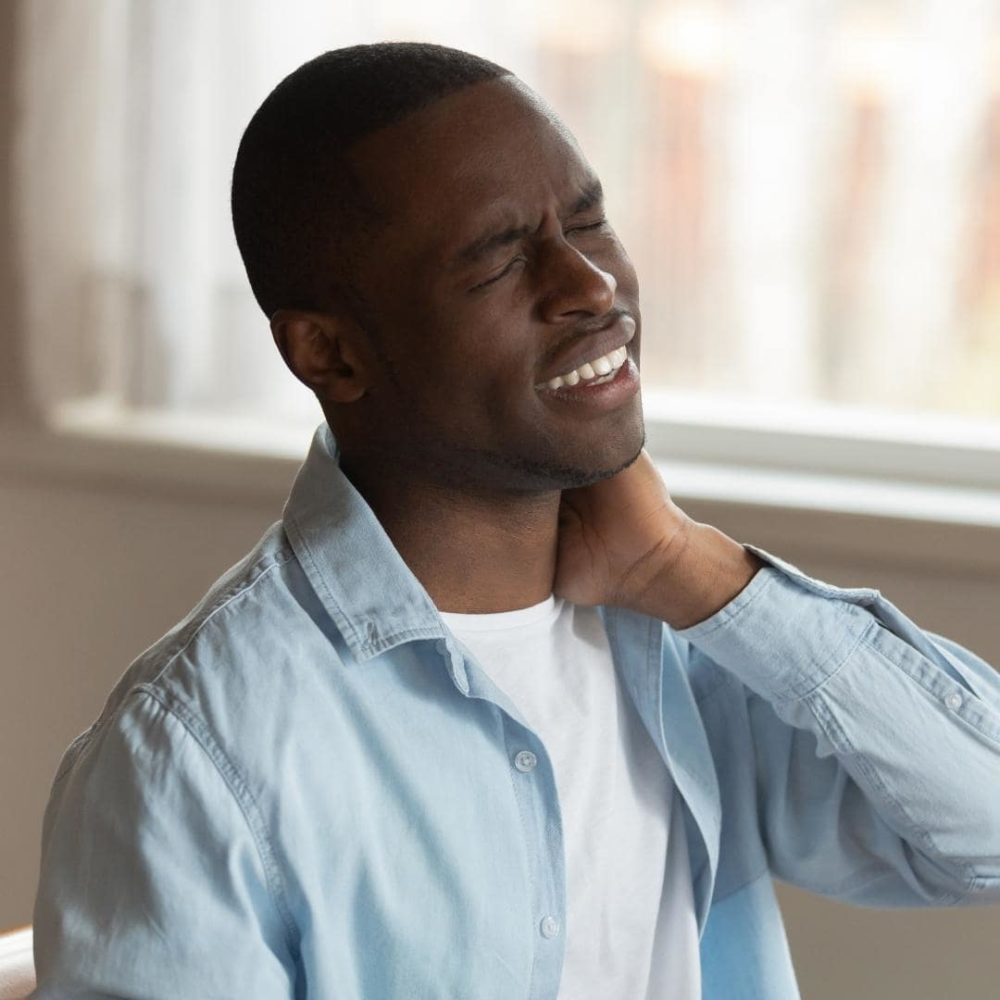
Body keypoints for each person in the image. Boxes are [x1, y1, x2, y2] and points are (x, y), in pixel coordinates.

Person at [31, 42, 1000, 1000]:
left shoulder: (684, 636)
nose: (590, 285)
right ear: (329, 353)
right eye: (498, 259)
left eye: (588, 221)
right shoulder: (197, 755)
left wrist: (689, 569)